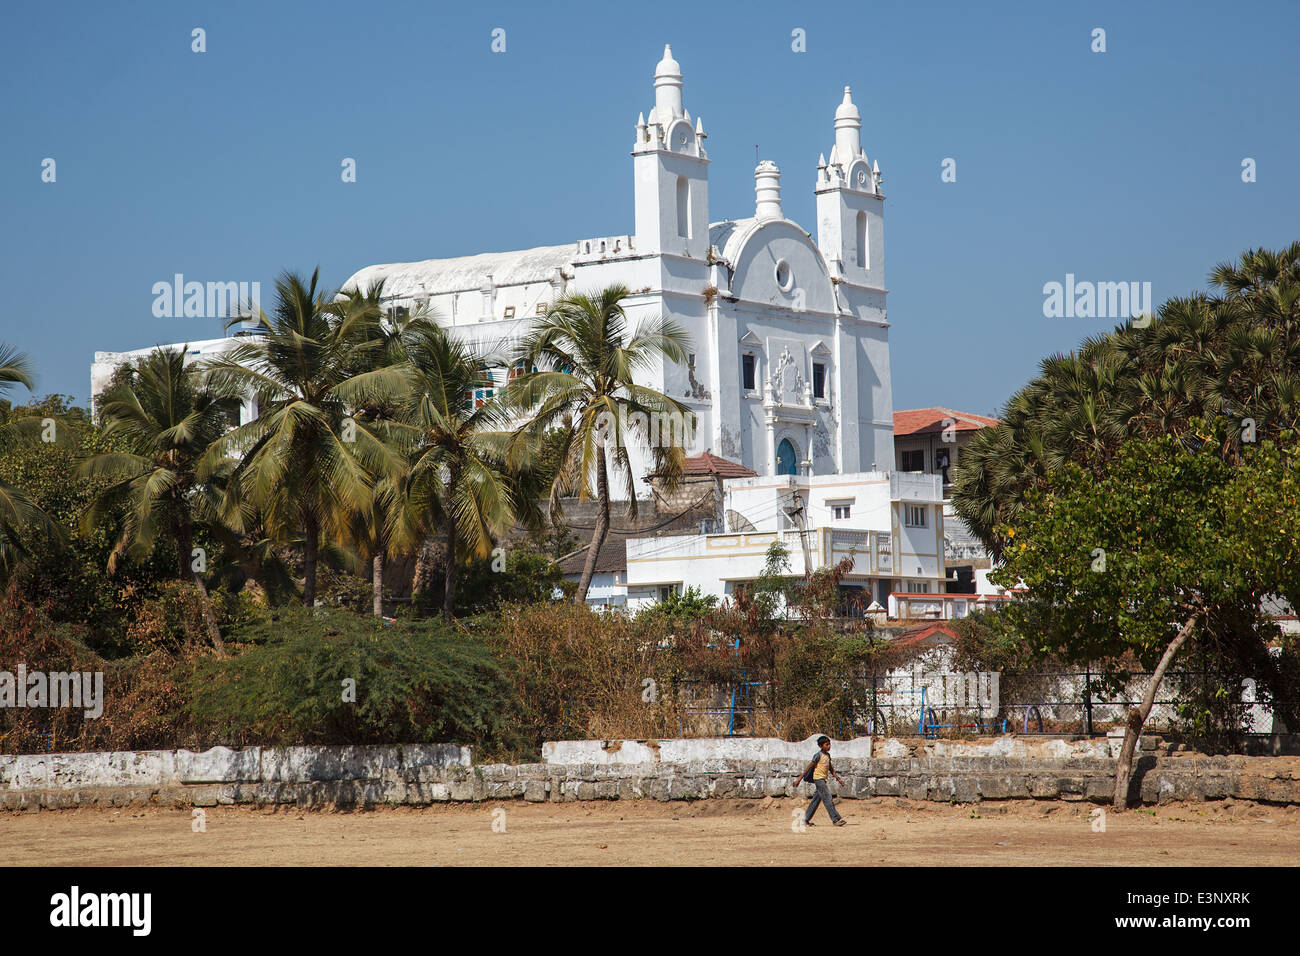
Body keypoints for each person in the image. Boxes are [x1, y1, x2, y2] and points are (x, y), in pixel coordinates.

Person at [795, 735, 847, 827]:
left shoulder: (827, 756)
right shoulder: (817, 756)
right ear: (821, 746)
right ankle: (835, 819)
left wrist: (839, 780)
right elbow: (809, 767)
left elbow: (831, 769)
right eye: (826, 745)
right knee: (828, 798)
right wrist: (799, 779)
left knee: (815, 801)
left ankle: (805, 820)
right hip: (818, 779)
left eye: (829, 744)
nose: (829, 746)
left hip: (823, 779)